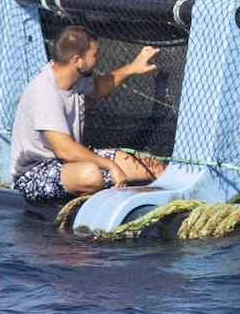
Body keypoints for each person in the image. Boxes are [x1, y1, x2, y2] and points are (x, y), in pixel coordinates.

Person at [10, 25, 166, 202]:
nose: (97, 59)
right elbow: (64, 149)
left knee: (151, 164)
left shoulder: (74, 77)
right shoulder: (45, 92)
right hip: (35, 173)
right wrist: (111, 166)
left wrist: (131, 68)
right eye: (94, 55)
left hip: (72, 162)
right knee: (91, 175)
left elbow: (98, 88)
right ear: (77, 60)